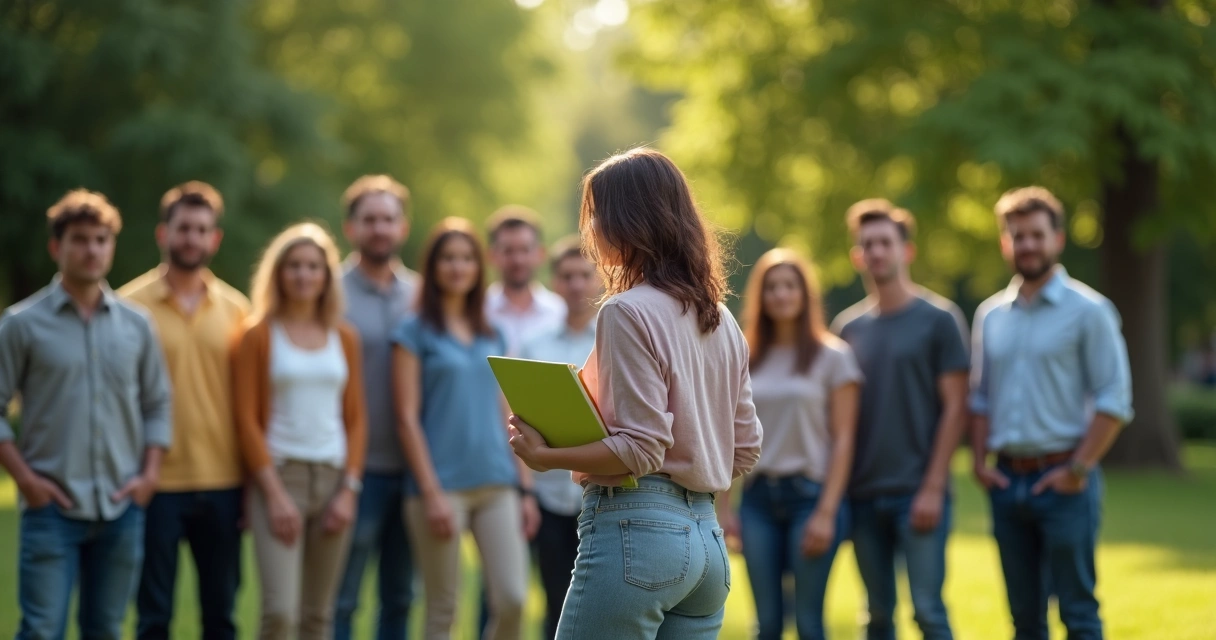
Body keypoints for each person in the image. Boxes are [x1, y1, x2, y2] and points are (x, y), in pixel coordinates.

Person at [508, 147, 763, 640]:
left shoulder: (625, 311)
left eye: (597, 215)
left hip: (637, 536)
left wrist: (546, 456)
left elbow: (641, 448)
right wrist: (692, 463)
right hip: (706, 545)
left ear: (627, 220)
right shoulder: (722, 318)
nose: (592, 231)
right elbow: (745, 447)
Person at [0, 189, 172, 640]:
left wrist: (149, 476)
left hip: (121, 509)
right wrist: (26, 481)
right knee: (40, 631)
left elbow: (157, 403)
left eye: (101, 239)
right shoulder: (21, 324)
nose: (91, 249)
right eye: (79, 239)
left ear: (111, 247)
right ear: (57, 247)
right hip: (50, 510)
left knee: (107, 630)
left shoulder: (137, 325)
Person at [971, 187, 1133, 640]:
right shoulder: (990, 315)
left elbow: (1114, 399)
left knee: (1078, 615)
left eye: (1036, 235)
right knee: (1024, 621)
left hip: (1066, 483)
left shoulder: (1090, 311)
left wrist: (1078, 469)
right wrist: (981, 464)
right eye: (1017, 236)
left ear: (1057, 239)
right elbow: (980, 397)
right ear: (1005, 243)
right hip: (1007, 484)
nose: (1027, 245)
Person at [391, 217, 539, 640]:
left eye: (466, 259)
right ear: (433, 267)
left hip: (497, 484)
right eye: (448, 259)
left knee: (513, 600)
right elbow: (406, 418)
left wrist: (524, 487)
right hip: (441, 489)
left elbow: (506, 413)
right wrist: (432, 493)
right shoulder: (412, 332)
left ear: (479, 267)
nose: (458, 267)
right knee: (443, 610)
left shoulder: (491, 333)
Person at [831, 200, 969, 640]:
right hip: (864, 495)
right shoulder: (847, 328)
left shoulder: (940, 319)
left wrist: (932, 486)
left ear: (906, 250)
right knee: (876, 616)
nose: (875, 252)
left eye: (885, 242)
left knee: (928, 611)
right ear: (857, 257)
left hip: (919, 493)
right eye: (867, 244)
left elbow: (956, 407)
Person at [119, 182, 250, 640]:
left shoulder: (238, 310)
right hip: (155, 483)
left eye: (201, 230)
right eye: (183, 229)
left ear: (215, 238)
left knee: (222, 616)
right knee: (153, 618)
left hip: (225, 483)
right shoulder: (128, 307)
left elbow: (249, 404)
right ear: (163, 234)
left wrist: (252, 481)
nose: (191, 238)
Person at [231, 222, 368, 640]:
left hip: (332, 480)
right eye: (294, 266)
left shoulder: (343, 336)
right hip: (279, 477)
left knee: (318, 617)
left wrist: (348, 489)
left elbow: (357, 418)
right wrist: (273, 494)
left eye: (313, 266)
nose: (304, 275)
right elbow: (245, 419)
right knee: (279, 614)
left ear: (327, 275)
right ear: (277, 273)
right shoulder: (257, 334)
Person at [721, 248, 862, 640]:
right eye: (772, 287)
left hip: (810, 497)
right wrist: (725, 507)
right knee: (766, 624)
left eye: (790, 286)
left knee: (808, 622)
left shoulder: (834, 356)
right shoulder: (744, 355)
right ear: (760, 297)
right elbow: (731, 436)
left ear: (805, 294)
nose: (781, 295)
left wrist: (827, 511)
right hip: (759, 500)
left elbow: (844, 437)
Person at [333, 175, 420, 640]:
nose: (380, 229)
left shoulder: (423, 294)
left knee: (401, 597)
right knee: (342, 598)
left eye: (388, 219)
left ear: (403, 227)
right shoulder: (328, 292)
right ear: (351, 228)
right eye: (369, 220)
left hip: (412, 471)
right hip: (352, 469)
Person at [518, 236, 602, 640]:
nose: (576, 285)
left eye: (584, 275)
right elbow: (521, 422)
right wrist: (527, 492)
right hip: (549, 494)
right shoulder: (534, 347)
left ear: (598, 280)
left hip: (601, 494)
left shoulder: (614, 342)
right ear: (554, 282)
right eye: (567, 276)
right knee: (555, 604)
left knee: (602, 608)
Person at [486, 205, 566, 355]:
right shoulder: (480, 311)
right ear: (492, 256)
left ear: (541, 253)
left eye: (525, 250)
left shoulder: (559, 312)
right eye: (508, 251)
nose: (518, 260)